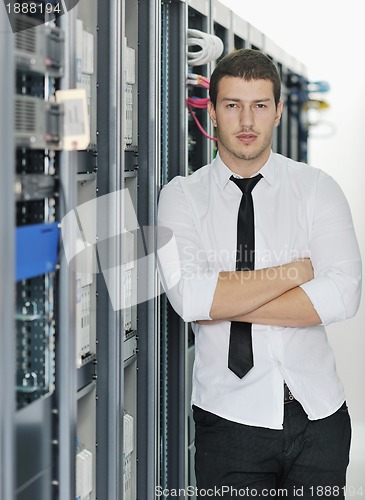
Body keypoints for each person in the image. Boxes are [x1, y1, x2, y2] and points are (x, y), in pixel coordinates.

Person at [157, 48, 362, 499]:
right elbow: (191, 299)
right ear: (212, 113)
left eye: (259, 106)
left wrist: (226, 300)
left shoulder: (316, 188)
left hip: (319, 420)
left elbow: (343, 295)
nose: (246, 121)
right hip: (229, 425)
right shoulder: (180, 198)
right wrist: (296, 271)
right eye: (232, 106)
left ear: (277, 112)